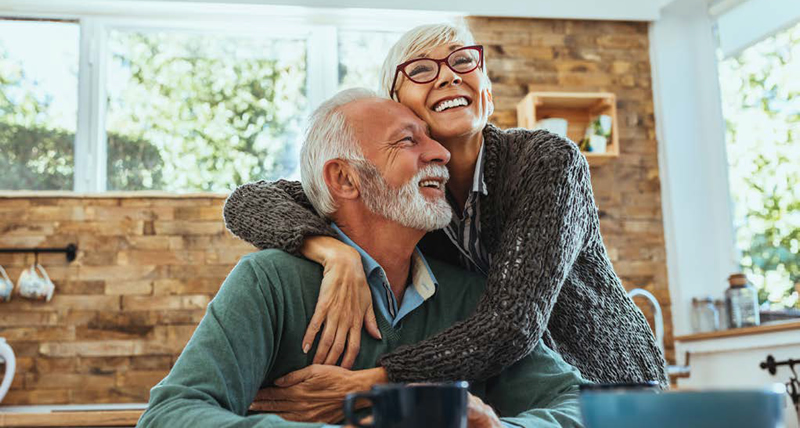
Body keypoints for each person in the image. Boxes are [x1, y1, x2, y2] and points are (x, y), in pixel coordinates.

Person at [223, 21, 668, 397]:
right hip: (517, 396)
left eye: (462, 61)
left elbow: (511, 323)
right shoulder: (405, 197)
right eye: (420, 69)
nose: (449, 76)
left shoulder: (547, 161)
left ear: (487, 93)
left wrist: (374, 382)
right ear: (397, 106)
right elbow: (248, 201)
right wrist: (331, 251)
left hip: (612, 388)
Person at [138, 88, 586, 428]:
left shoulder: (469, 296)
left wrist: (500, 427)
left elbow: (579, 406)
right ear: (345, 179)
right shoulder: (269, 282)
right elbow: (170, 415)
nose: (441, 153)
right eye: (408, 141)